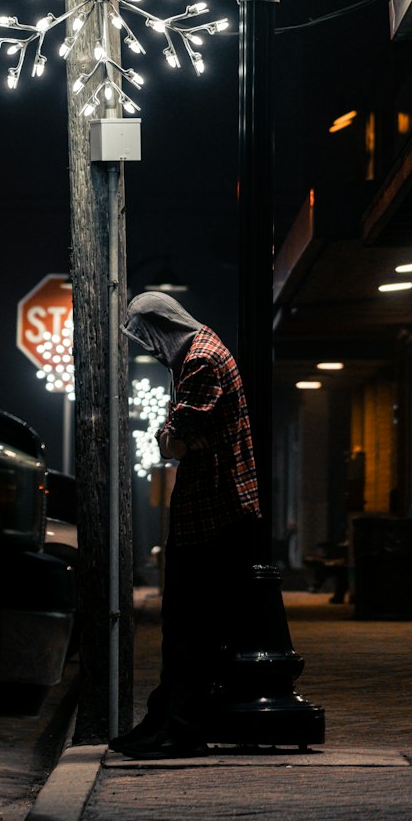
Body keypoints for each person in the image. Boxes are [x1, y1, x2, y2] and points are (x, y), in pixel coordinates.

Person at [112, 291, 263, 759]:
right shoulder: (206, 351)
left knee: (190, 628)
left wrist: (168, 432)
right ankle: (165, 720)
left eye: (147, 338)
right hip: (213, 512)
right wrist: (171, 430)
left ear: (162, 326)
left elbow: (174, 445)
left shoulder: (200, 362)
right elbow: (178, 436)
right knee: (185, 627)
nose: (149, 349)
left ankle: (182, 729)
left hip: (213, 513)